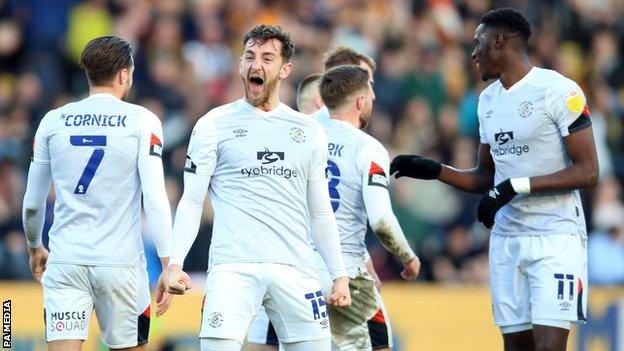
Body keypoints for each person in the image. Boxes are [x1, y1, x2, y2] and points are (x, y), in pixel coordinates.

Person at [390, 8, 598, 351]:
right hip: (507, 239)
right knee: (516, 348)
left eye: (478, 43)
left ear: (499, 41)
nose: (472, 54)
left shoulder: (559, 90)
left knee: (548, 347)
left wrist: (516, 186)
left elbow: (588, 171)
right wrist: (435, 170)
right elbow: (487, 177)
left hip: (556, 236)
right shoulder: (486, 101)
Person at [166, 24, 351, 351]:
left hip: (295, 268)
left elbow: (320, 211)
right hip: (233, 268)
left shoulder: (308, 132)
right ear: (240, 65)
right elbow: (192, 201)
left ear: (285, 69)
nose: (256, 65)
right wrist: (175, 263)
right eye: (249, 56)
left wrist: (338, 274)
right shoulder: (213, 125)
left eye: (267, 58)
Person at [22, 36, 173, 351]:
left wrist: (35, 246)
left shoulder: (53, 121)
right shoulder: (142, 120)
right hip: (121, 264)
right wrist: (168, 262)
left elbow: (33, 204)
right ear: (123, 75)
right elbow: (156, 198)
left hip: (66, 261)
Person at [246, 48, 399, 351]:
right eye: (364, 83)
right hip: (314, 268)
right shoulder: (308, 139)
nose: (371, 94)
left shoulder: (289, 137)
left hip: (294, 266)